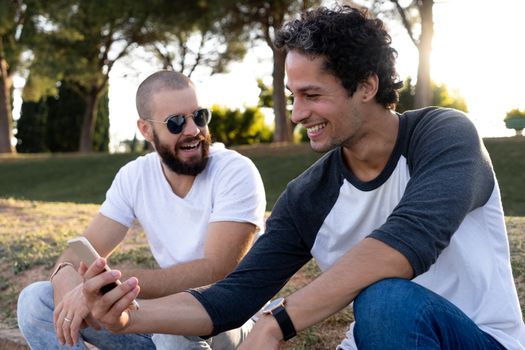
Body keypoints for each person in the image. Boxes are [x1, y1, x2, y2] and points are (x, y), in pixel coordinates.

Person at [80, 6, 525, 350]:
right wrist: (129, 317)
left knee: (385, 298)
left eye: (313, 95)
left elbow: (405, 244)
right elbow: (232, 297)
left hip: (479, 338)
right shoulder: (308, 196)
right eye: (294, 97)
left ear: (366, 86)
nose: (297, 114)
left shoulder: (444, 136)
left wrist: (280, 322)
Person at [16, 70, 266, 350]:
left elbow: (216, 271)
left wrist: (111, 284)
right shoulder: (135, 175)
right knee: (35, 301)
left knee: (172, 330)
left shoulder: (236, 172)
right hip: (158, 324)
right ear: (146, 130)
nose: (193, 130)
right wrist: (65, 275)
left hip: (228, 319)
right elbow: (83, 249)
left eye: (199, 116)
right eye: (175, 123)